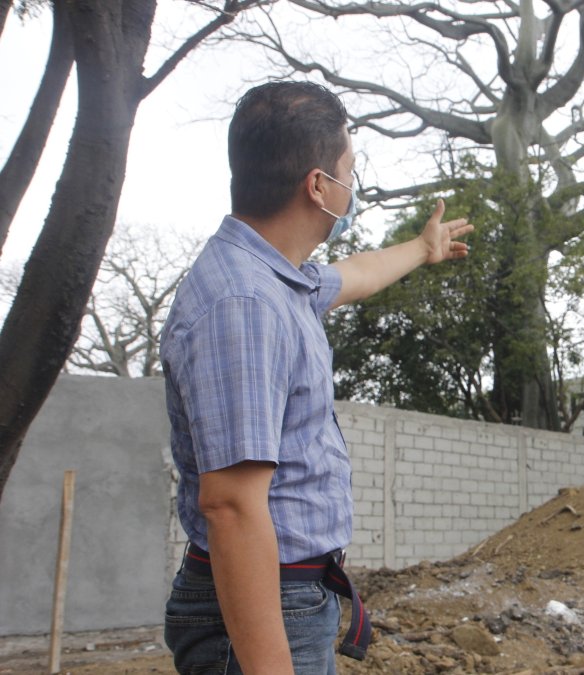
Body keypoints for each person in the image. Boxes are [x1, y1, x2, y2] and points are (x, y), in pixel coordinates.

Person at [160, 81, 473, 674]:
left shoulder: (282, 281)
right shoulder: (244, 303)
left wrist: (422, 247)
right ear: (318, 186)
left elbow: (355, 274)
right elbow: (231, 506)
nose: (352, 189)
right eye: (349, 173)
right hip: (264, 604)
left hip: (292, 595)